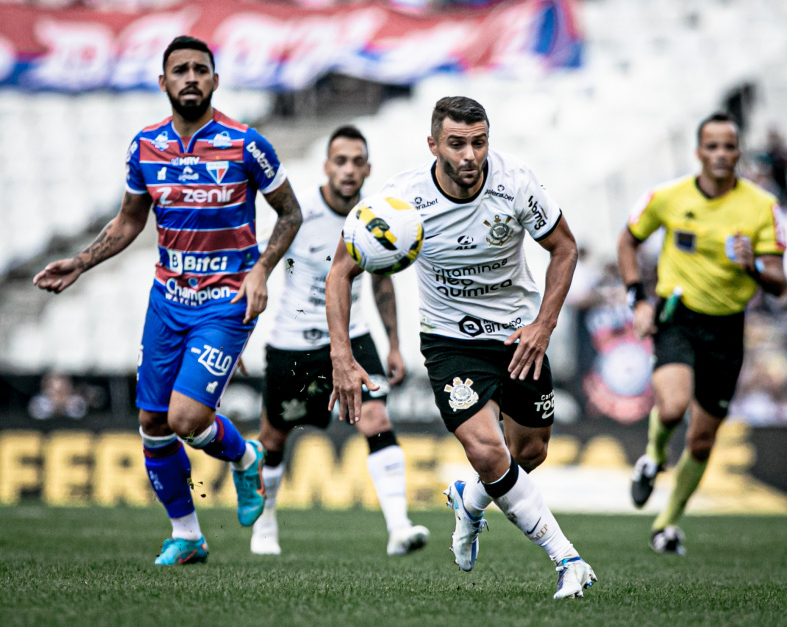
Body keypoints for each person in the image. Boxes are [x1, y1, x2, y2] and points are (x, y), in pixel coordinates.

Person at [33, 36, 303, 565]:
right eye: (179, 70)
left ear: (215, 81)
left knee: (184, 419)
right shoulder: (144, 146)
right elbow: (131, 218)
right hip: (167, 300)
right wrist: (82, 262)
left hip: (226, 301)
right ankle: (188, 535)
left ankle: (246, 458)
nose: (190, 78)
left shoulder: (247, 144)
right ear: (163, 83)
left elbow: (290, 213)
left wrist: (262, 272)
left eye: (200, 69)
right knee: (153, 426)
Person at [325, 97, 597, 600]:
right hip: (450, 341)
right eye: (456, 144)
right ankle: (568, 559)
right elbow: (340, 269)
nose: (470, 155)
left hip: (519, 335)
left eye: (479, 142)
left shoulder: (515, 183)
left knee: (527, 454)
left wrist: (544, 323)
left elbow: (565, 247)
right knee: (487, 450)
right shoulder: (399, 202)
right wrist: (342, 355)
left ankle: (468, 501)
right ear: (433, 145)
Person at [250, 125, 429, 557]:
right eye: (340, 160)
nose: (349, 170)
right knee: (274, 437)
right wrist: (239, 338)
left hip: (353, 335)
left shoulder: (374, 217)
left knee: (377, 421)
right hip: (294, 339)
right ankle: (265, 524)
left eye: (357, 161)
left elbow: (383, 283)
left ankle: (399, 528)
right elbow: (260, 275)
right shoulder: (297, 212)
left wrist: (392, 344)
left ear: (368, 168)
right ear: (326, 166)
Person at [618, 112, 787, 555]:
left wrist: (752, 266)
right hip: (678, 314)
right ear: (698, 153)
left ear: (738, 152)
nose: (720, 154)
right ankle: (653, 458)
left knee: (702, 438)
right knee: (672, 407)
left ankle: (667, 523)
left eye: (728, 146)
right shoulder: (668, 196)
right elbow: (628, 240)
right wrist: (638, 298)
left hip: (728, 326)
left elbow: (779, 282)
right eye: (711, 146)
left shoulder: (761, 206)